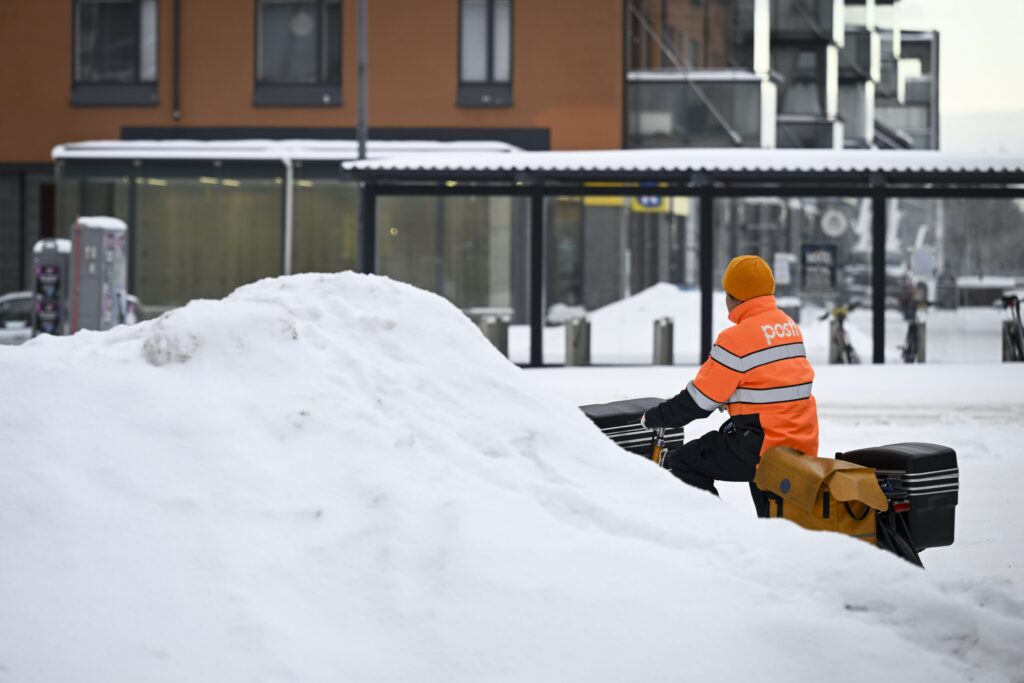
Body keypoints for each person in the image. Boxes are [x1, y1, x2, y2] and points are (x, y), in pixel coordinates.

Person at [641, 255, 819, 516]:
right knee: (771, 507)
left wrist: (656, 417)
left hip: (764, 445)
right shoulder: (787, 326)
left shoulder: (735, 338)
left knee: (684, 462)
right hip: (801, 438)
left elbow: (699, 402)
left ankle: (722, 530)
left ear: (734, 296)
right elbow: (773, 382)